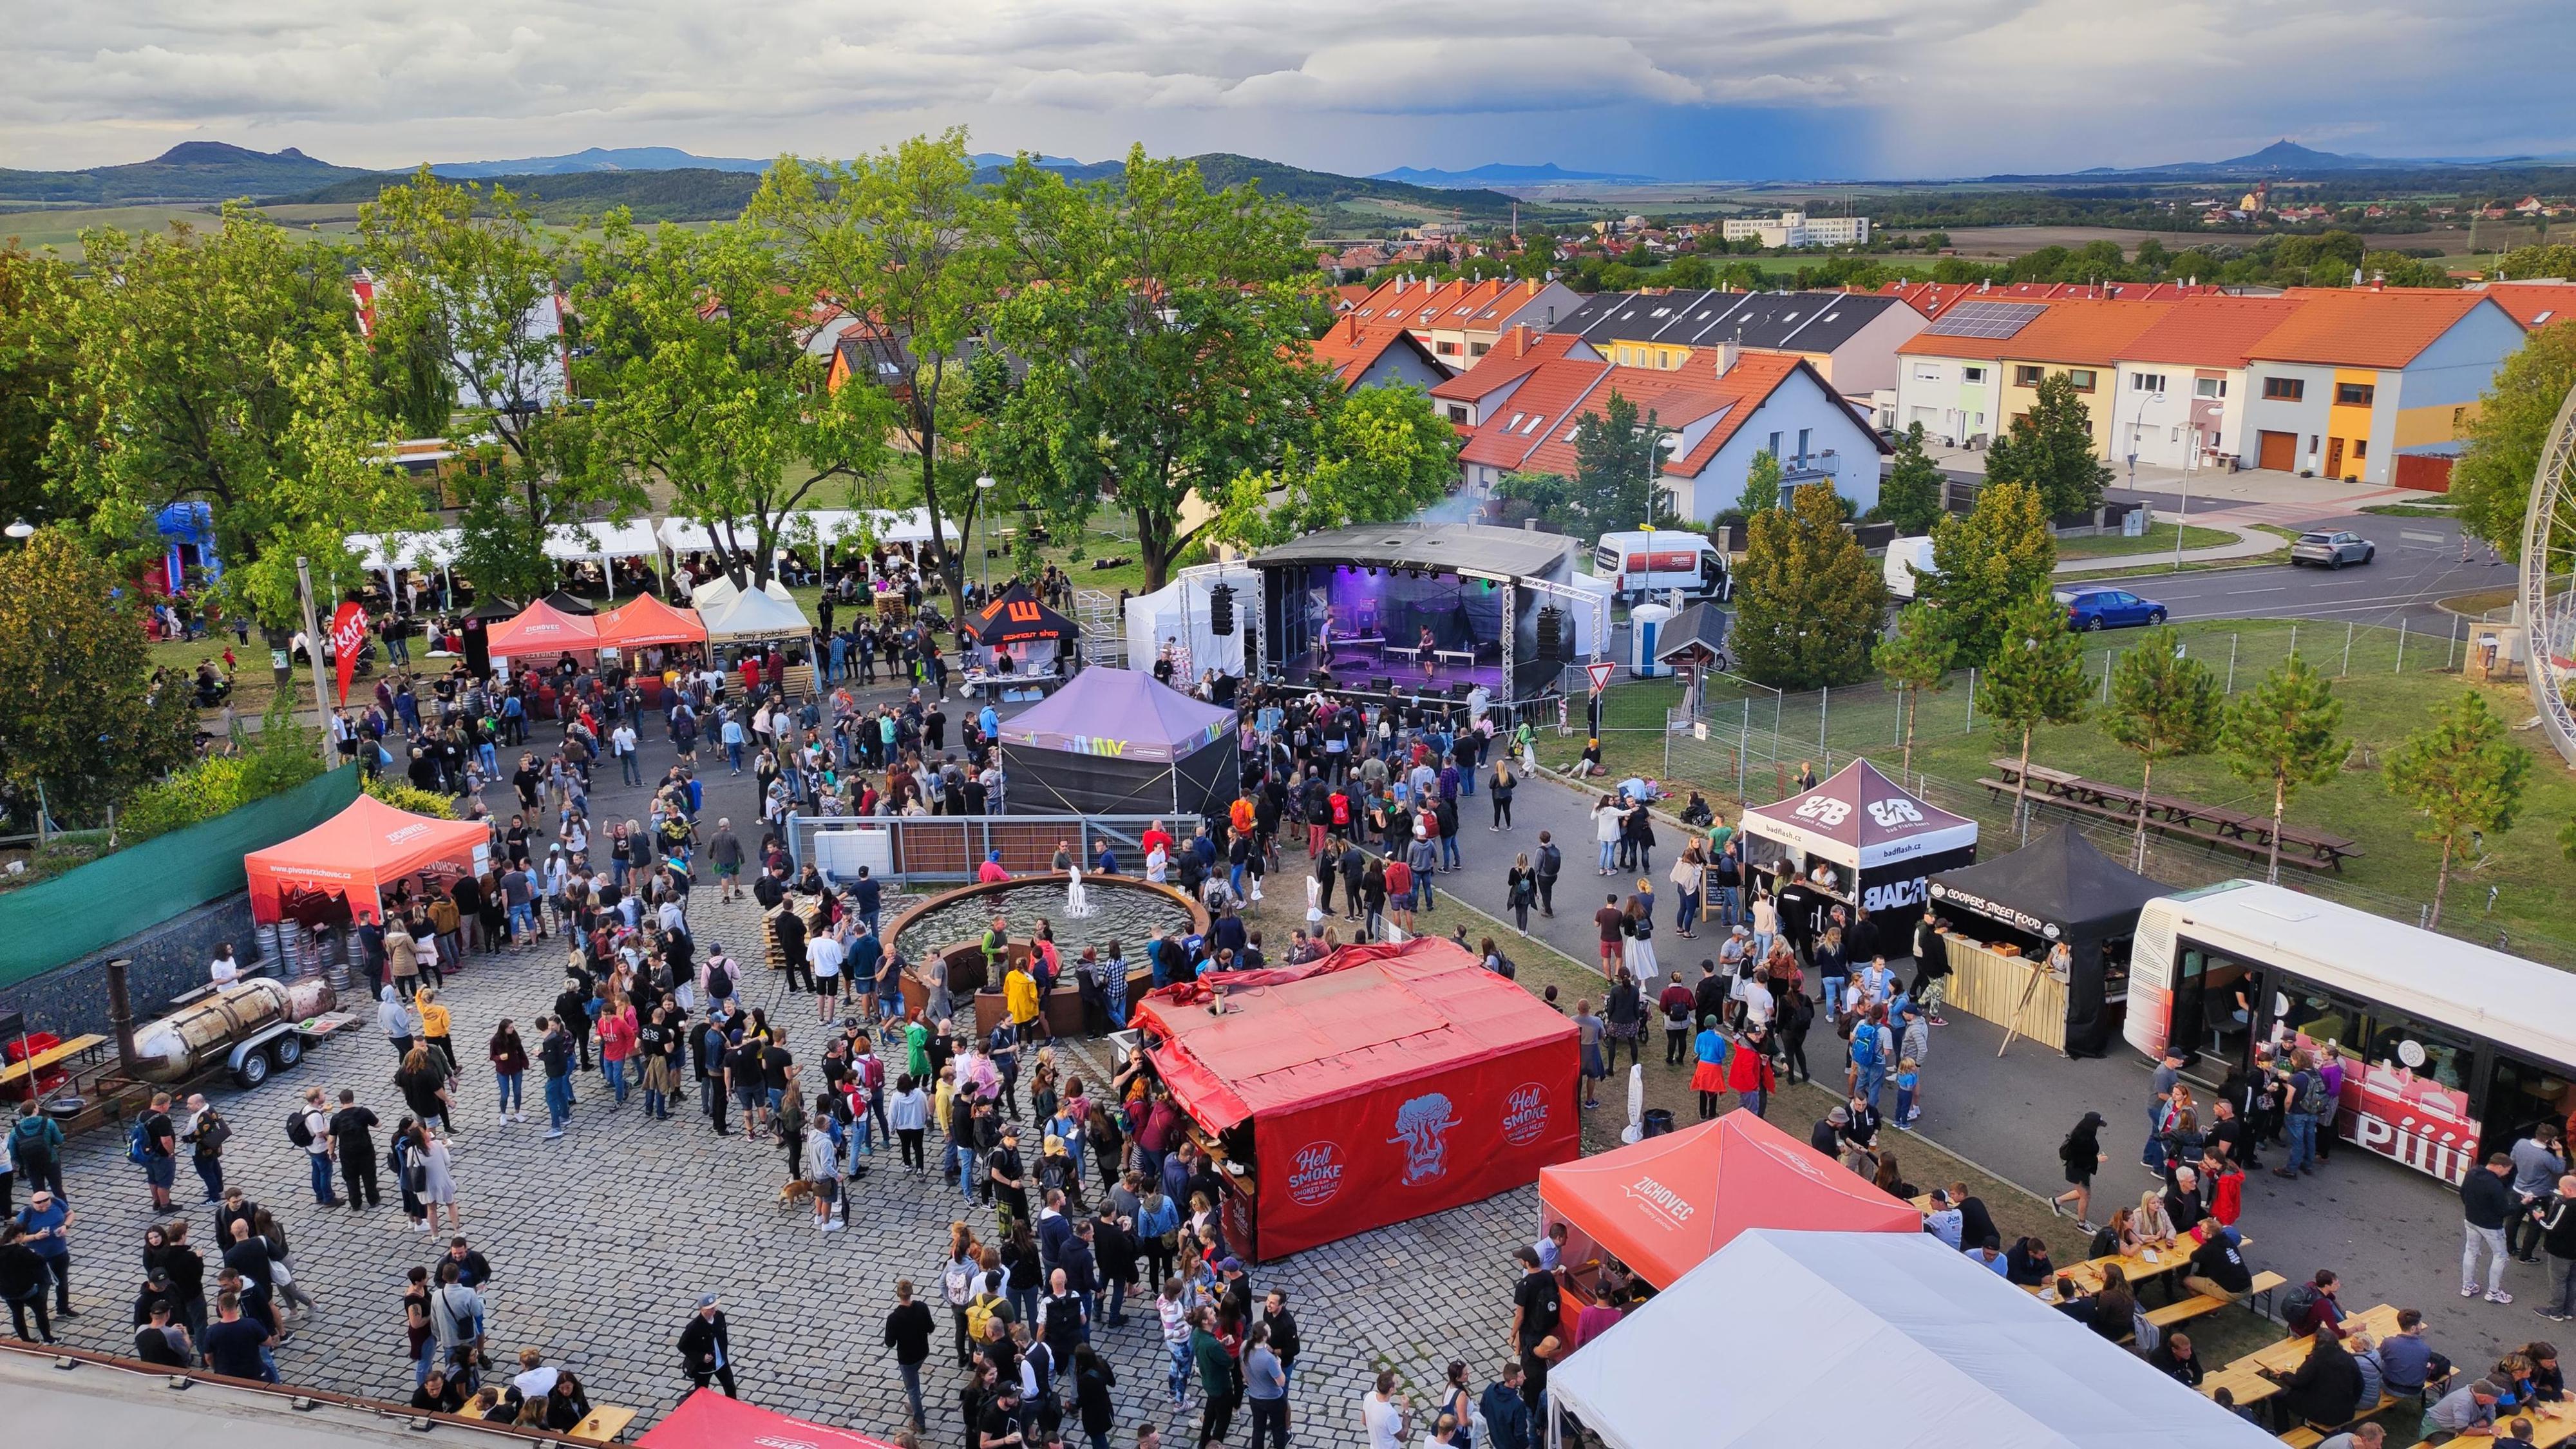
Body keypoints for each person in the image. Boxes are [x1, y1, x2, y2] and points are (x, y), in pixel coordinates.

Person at [2266, 1323, 2365, 1433]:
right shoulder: (2348, 1358)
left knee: (2279, 1397)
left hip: (2324, 1413)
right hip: (2346, 1411)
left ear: (2317, 1343)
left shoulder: (2316, 1360)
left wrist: (2284, 1374)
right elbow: (2360, 1385)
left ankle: (2282, 1432)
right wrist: (2350, 1402)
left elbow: (2298, 1382)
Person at [2464, 1150, 2519, 1305]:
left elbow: (2463, 1194)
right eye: (2508, 1170)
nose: (2507, 1174)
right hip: (2491, 1227)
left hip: (2470, 1220)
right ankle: (2493, 1292)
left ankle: (2467, 1286)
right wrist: (2522, 1204)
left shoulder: (2471, 1173)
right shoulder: (2495, 1185)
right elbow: (2504, 1211)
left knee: (2471, 1251)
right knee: (2500, 1256)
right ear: (2500, 1167)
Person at [886, 1278, 936, 1430]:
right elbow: (931, 1328)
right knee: (914, 1382)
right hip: (922, 1352)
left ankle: (919, 1421)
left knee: (912, 1388)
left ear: (898, 1294)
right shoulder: (922, 1307)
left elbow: (890, 1343)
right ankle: (915, 1404)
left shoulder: (894, 1318)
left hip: (907, 1358)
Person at [2052, 1112, 2106, 1227]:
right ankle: (2082, 1223)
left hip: (2081, 1170)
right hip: (2077, 1170)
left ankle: (2057, 1201)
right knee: (2086, 1195)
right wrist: (2096, 1160)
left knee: (2084, 1193)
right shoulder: (2082, 1138)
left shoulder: (2084, 1133)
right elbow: (2080, 1159)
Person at [680, 1293, 737, 1399]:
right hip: (704, 1368)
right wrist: (701, 1357)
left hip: (721, 1362)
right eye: (710, 1308)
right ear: (702, 1310)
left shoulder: (720, 1316)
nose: (713, 1310)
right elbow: (683, 1346)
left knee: (730, 1388)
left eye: (714, 1307)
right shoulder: (694, 1327)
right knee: (701, 1394)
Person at [1242, 1323, 1287, 1449]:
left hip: (1255, 1397)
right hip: (1274, 1399)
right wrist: (1279, 1364)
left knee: (1258, 1429)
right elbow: (1281, 1382)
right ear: (1265, 1337)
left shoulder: (1245, 1347)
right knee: (1278, 1429)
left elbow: (1243, 1369)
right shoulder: (1269, 1359)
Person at [1478, 1363, 1532, 1449]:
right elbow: (1520, 1432)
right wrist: (1527, 1446)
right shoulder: (1518, 1405)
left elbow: (1483, 1411)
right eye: (1521, 1377)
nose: (1525, 1378)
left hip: (1496, 1439)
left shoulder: (1490, 1389)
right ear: (1513, 1382)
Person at [1361, 1368, 1410, 1449]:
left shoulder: (1370, 1396)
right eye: (1396, 1382)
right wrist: (1406, 1410)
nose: (1398, 1384)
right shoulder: (1390, 1414)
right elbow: (1403, 1437)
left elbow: (1364, 1421)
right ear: (1391, 1390)